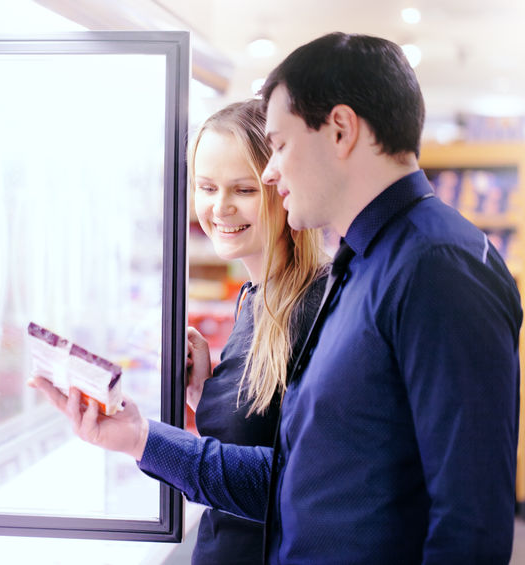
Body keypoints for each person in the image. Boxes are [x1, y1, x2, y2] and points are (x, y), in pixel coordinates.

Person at [31, 32, 523, 564]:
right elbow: (309, 476)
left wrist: (144, 439)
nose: (270, 172)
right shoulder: (365, 265)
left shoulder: (436, 267)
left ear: (340, 130)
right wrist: (156, 427)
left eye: (280, 145)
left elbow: (470, 525)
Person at [181, 100, 326, 564]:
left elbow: (297, 479)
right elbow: (262, 432)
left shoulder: (316, 303)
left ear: (281, 185)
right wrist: (205, 393)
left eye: (242, 189)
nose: (219, 207)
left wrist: (141, 440)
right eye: (206, 187)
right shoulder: (253, 295)